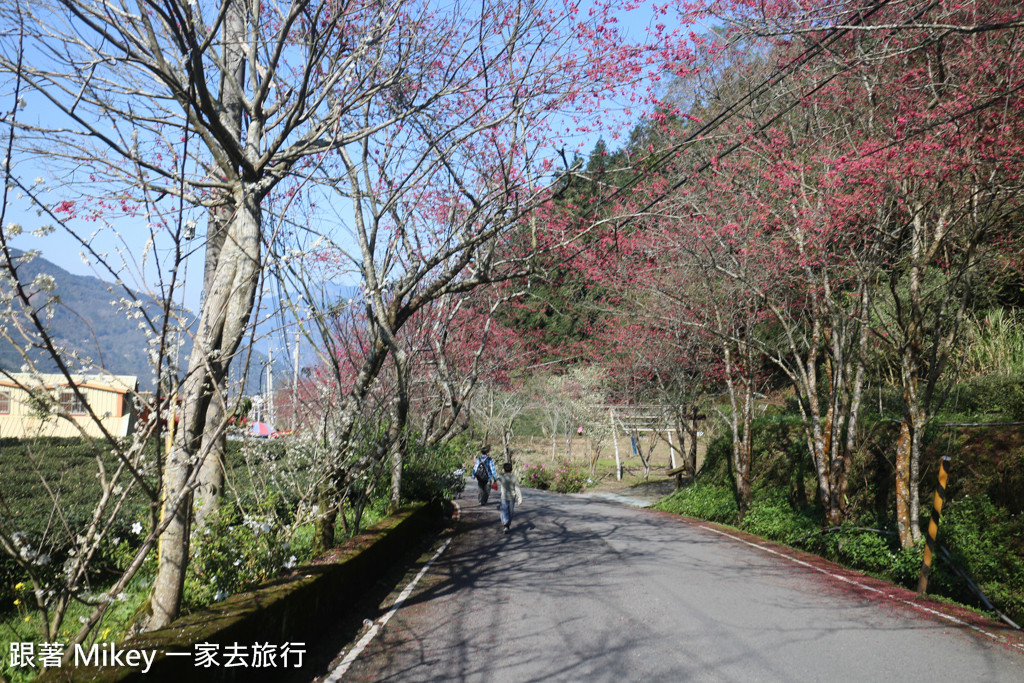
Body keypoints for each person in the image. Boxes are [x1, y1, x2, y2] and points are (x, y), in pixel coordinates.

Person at [496, 462, 523, 534]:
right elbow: (517, 488)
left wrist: (501, 473)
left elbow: (496, 478)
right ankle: (506, 524)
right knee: (510, 512)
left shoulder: (502, 477)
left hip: (504, 497)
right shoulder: (514, 477)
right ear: (511, 469)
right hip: (512, 497)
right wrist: (519, 499)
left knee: (505, 511)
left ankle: (506, 524)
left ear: (504, 469)